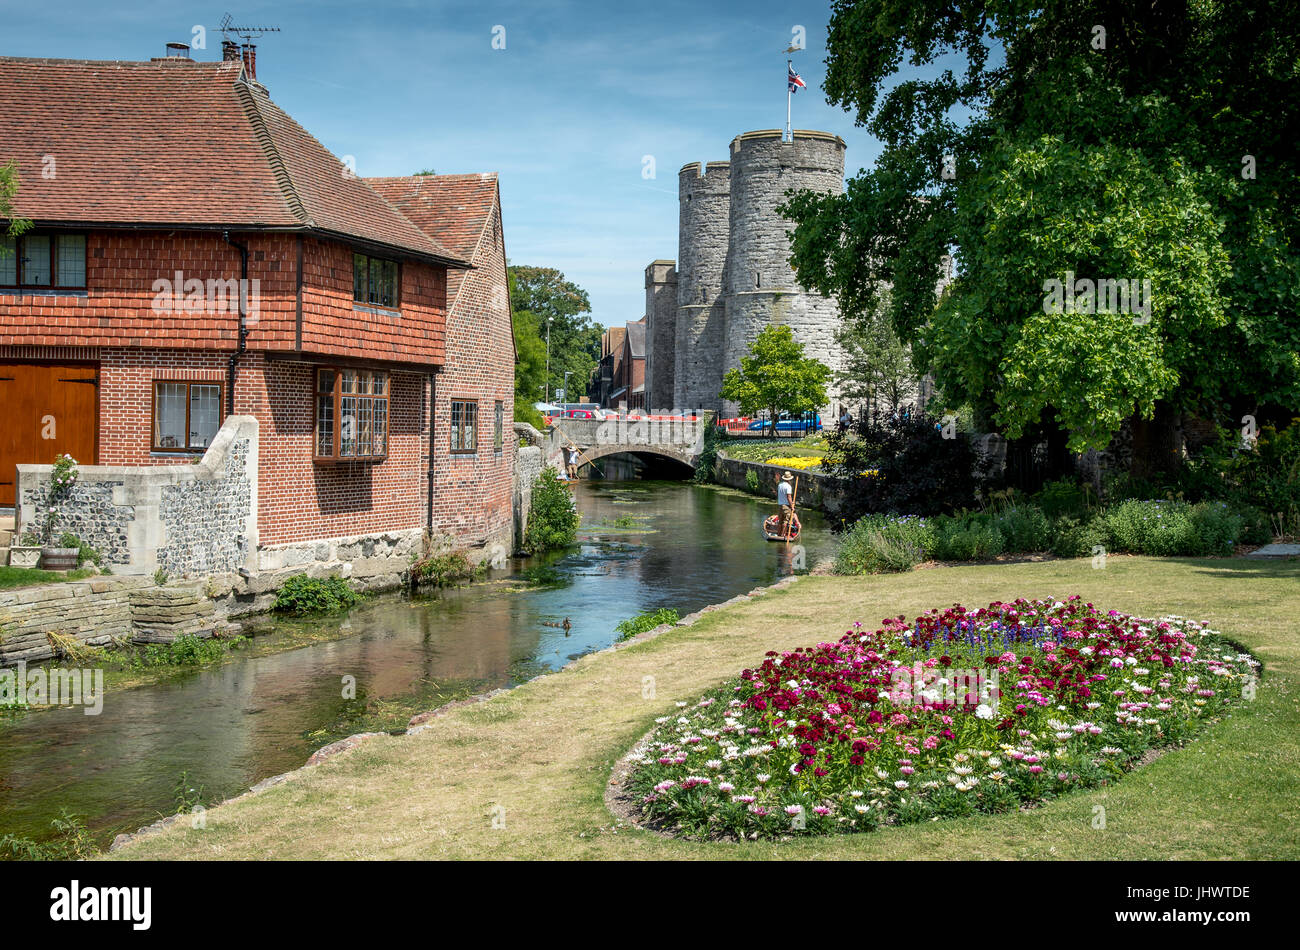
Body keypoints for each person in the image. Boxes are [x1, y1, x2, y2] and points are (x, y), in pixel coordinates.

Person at [776, 470, 796, 535]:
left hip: (780, 505)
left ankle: (778, 534)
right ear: (789, 479)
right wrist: (792, 506)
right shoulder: (788, 486)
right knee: (786, 521)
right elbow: (789, 497)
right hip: (786, 506)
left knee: (780, 522)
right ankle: (783, 535)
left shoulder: (780, 485)